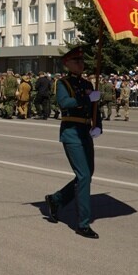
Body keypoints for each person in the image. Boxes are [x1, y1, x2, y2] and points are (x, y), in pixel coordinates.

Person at [44, 45, 103, 239]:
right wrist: (86, 98)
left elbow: (95, 108)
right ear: (67, 63)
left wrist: (98, 125)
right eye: (76, 61)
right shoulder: (63, 84)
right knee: (84, 175)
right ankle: (83, 223)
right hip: (72, 133)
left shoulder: (87, 84)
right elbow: (64, 103)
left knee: (87, 174)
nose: (81, 64)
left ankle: (56, 199)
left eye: (82, 60)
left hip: (85, 131)